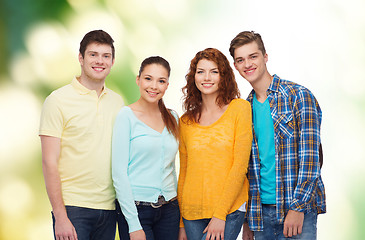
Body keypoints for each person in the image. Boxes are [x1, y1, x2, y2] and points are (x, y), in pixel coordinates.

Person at [229, 31, 326, 240]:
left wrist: (298, 208)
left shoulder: (298, 96)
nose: (247, 64)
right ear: (235, 66)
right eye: (240, 60)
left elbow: (311, 158)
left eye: (253, 56)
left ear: (265, 57)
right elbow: (246, 168)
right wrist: (248, 220)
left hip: (296, 209)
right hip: (259, 214)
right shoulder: (243, 109)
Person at [39, 30, 124, 240]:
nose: (100, 61)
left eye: (106, 56)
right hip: (73, 209)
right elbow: (49, 161)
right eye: (93, 54)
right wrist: (60, 216)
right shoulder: (57, 100)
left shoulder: (117, 102)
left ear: (112, 61)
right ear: (81, 58)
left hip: (109, 208)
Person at [178, 48, 253, 240]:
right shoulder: (185, 121)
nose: (206, 77)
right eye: (200, 71)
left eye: (214, 71)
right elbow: (184, 171)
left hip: (228, 210)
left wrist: (220, 214)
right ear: (194, 76)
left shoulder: (240, 109)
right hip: (191, 214)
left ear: (223, 76)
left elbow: (240, 165)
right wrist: (181, 223)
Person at [112, 56, 180, 240]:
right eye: (148, 78)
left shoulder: (173, 117)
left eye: (161, 81)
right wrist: (133, 224)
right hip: (136, 210)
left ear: (167, 85)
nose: (154, 86)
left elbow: (171, 167)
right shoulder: (126, 116)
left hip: (170, 209)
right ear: (138, 79)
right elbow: (119, 173)